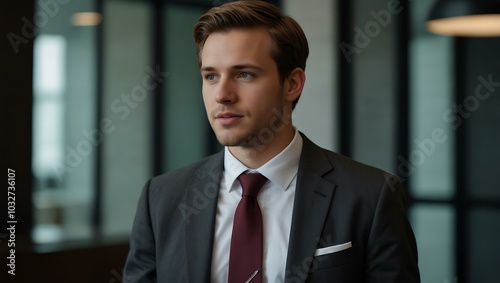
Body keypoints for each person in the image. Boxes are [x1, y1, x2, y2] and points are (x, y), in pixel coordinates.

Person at [123, 1, 420, 282]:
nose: (222, 94)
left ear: (292, 84)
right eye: (211, 76)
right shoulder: (161, 198)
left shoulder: (371, 196)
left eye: (244, 74)